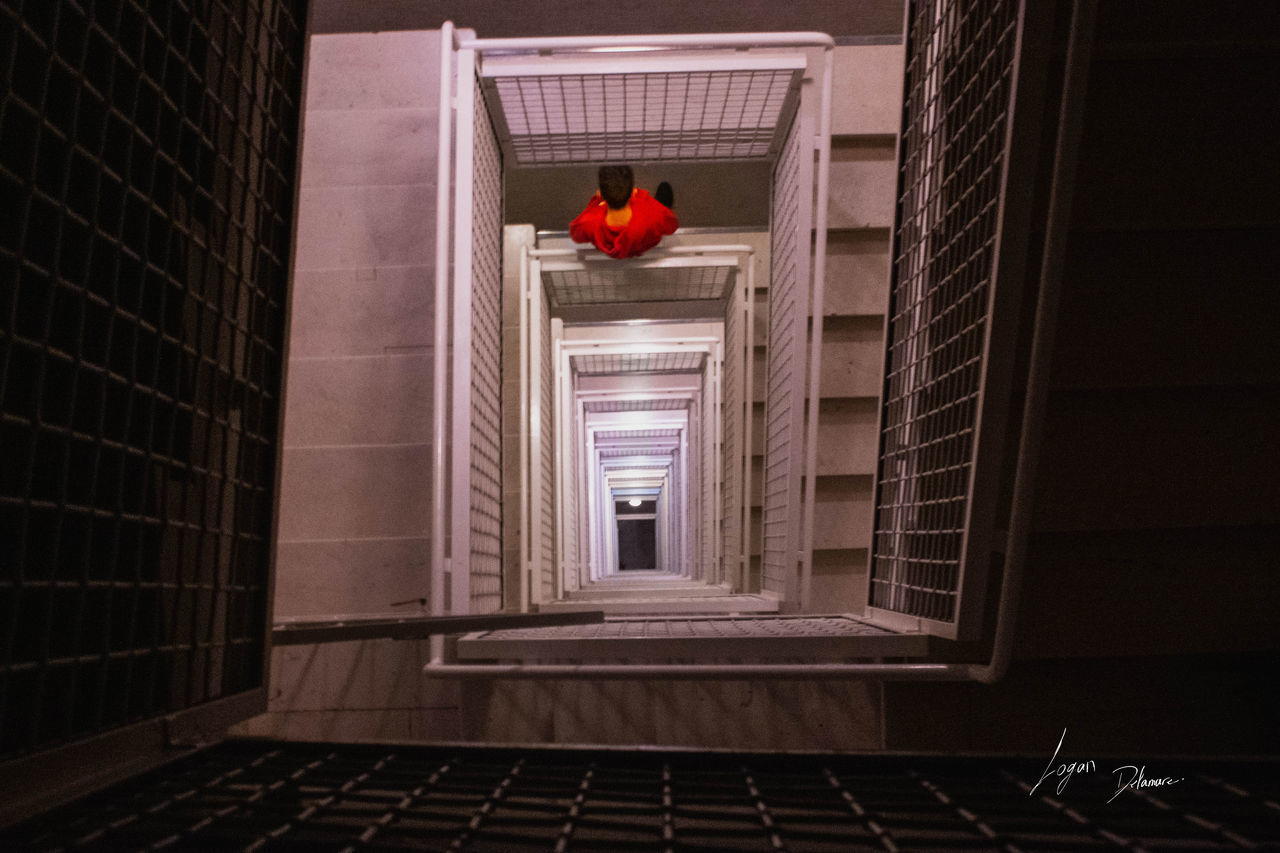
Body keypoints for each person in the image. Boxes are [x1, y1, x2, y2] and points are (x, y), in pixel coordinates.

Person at [569, 165, 677, 258]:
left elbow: (576, 234)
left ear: (601, 193)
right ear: (633, 192)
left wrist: (597, 203)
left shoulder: (588, 223)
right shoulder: (653, 216)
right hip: (643, 244)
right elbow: (671, 226)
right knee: (660, 205)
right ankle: (663, 205)